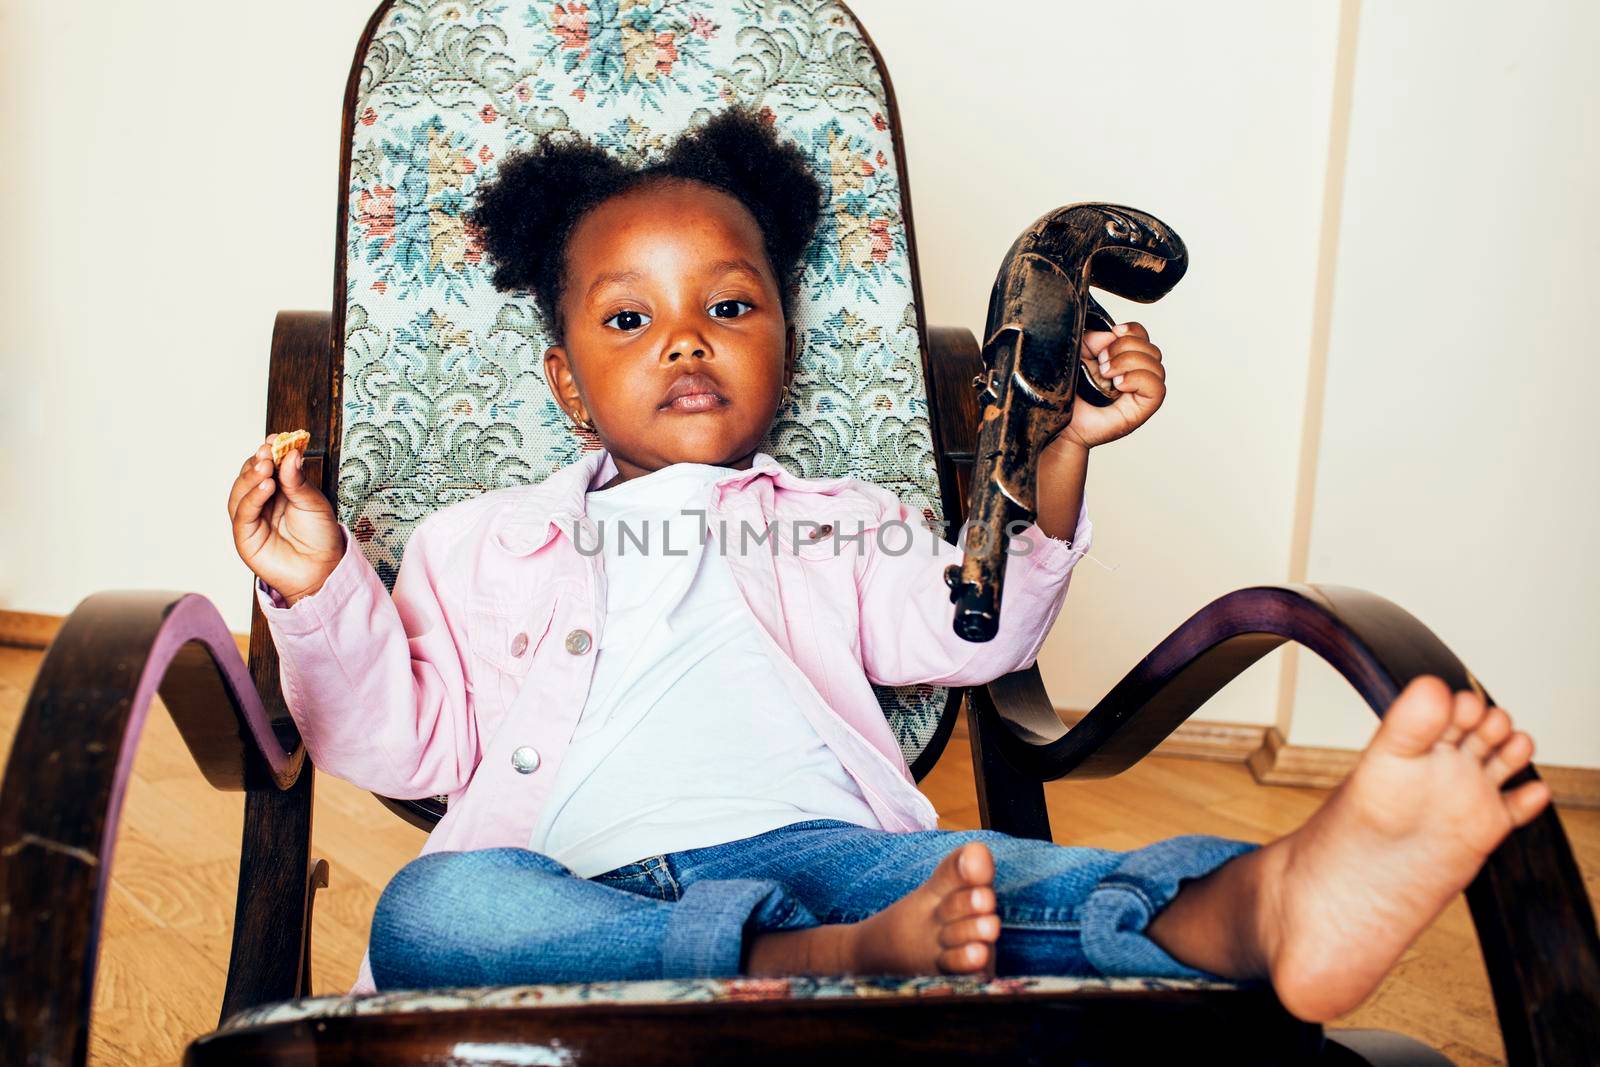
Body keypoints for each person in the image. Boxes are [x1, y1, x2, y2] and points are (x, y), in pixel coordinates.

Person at [227, 107, 1550, 1023]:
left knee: (1003, 882)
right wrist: (318, 585)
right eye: (633, 319)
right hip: (575, 877)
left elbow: (976, 633)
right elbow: (392, 742)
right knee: (435, 909)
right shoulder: (479, 545)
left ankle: (1265, 907)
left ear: (782, 350)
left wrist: (1060, 451)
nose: (686, 340)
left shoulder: (836, 515)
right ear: (570, 382)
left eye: (728, 307)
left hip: (832, 849)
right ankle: (815, 964)